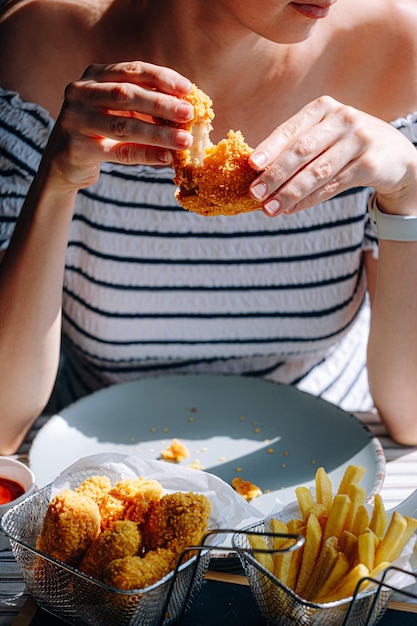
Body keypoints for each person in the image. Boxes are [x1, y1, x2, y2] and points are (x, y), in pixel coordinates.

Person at [1, 0, 417, 454]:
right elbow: (3, 426)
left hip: (326, 459)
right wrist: (56, 182)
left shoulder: (399, 48)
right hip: (99, 461)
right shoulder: (35, 46)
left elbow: (411, 419)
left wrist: (407, 194)